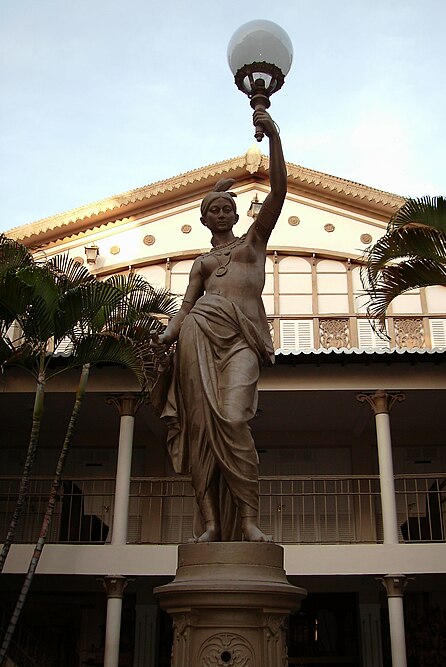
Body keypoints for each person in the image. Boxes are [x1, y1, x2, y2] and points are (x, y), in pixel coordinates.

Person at [152, 109, 286, 542]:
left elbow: (279, 193)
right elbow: (185, 310)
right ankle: (211, 524)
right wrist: (163, 338)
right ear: (206, 219)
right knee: (200, 432)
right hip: (198, 336)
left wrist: (275, 139)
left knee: (231, 418)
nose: (224, 212)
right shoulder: (203, 263)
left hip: (241, 340)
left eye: (229, 207)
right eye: (215, 209)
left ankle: (246, 520)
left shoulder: (253, 244)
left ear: (236, 214)